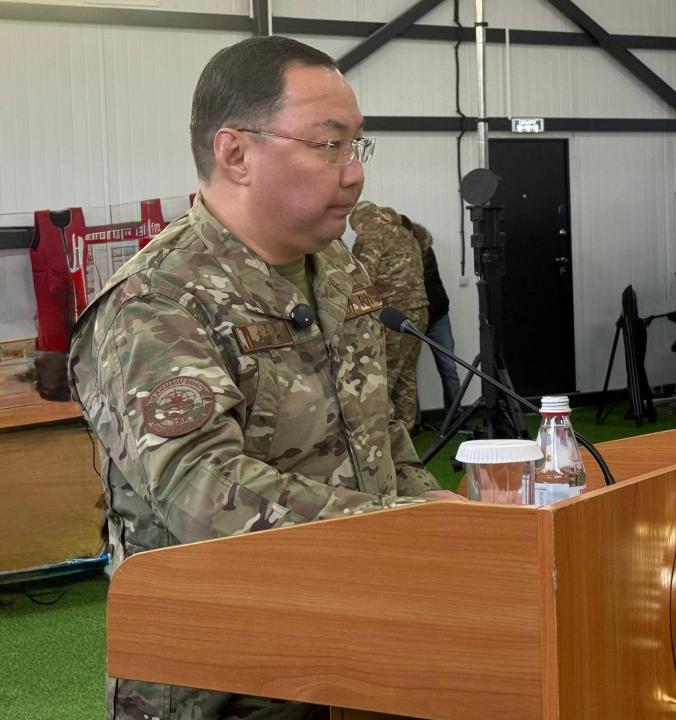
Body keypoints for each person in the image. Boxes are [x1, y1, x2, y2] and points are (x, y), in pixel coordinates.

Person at [67, 36, 457, 720]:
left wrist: (446, 519)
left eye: (357, 146)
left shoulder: (338, 271)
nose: (353, 174)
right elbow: (201, 492)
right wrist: (400, 526)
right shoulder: (157, 302)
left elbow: (379, 432)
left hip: (357, 654)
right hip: (229, 682)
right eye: (327, 145)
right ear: (235, 154)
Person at [349, 201, 427, 432]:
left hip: (392, 315)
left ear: (362, 223)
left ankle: (382, 437)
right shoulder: (405, 232)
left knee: (383, 378)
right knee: (406, 378)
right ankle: (406, 434)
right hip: (419, 311)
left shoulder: (371, 236)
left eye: (355, 229)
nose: (356, 233)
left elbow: (361, 279)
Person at [414, 222, 461, 413]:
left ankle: (455, 416)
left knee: (449, 368)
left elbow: (423, 278)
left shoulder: (425, 252)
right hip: (413, 318)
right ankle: (413, 422)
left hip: (436, 316)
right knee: (407, 373)